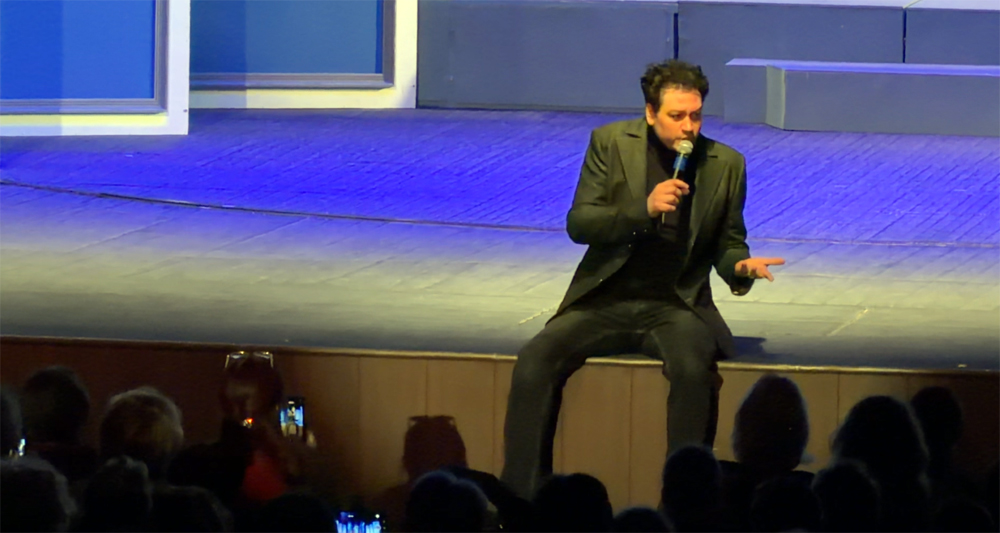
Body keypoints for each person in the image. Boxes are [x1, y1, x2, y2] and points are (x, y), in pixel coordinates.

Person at [500, 59, 784, 499]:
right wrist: (644, 210)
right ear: (651, 113)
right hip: (605, 298)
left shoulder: (725, 163)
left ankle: (686, 503)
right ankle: (521, 499)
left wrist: (739, 267)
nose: (688, 127)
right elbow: (581, 223)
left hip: (675, 304)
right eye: (677, 116)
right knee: (535, 360)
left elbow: (729, 243)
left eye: (696, 116)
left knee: (693, 371)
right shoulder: (611, 143)